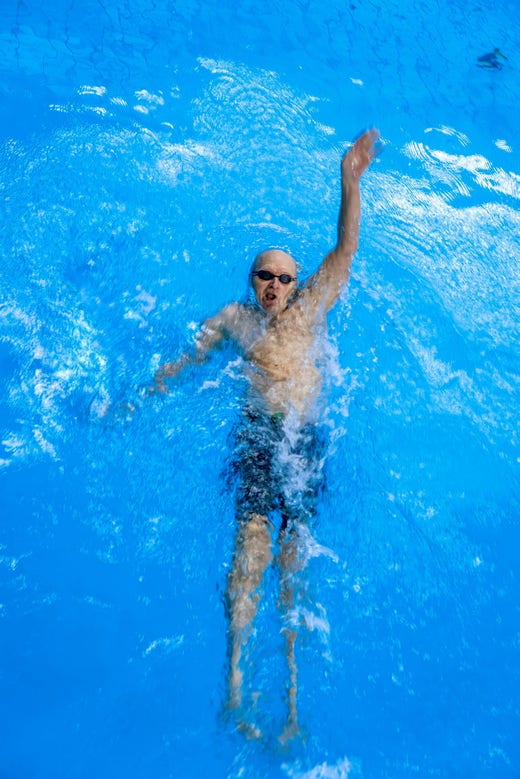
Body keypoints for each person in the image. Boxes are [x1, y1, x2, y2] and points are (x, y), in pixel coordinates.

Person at [153, 128, 381, 741]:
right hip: (258, 436)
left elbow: (346, 250)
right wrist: (152, 390)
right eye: (265, 276)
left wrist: (349, 179)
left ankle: (292, 698)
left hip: (304, 440)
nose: (275, 286)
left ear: (297, 284)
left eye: (284, 277)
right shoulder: (234, 320)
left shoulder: (311, 311)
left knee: (292, 559)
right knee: (250, 547)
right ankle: (232, 686)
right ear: (251, 281)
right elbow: (184, 364)